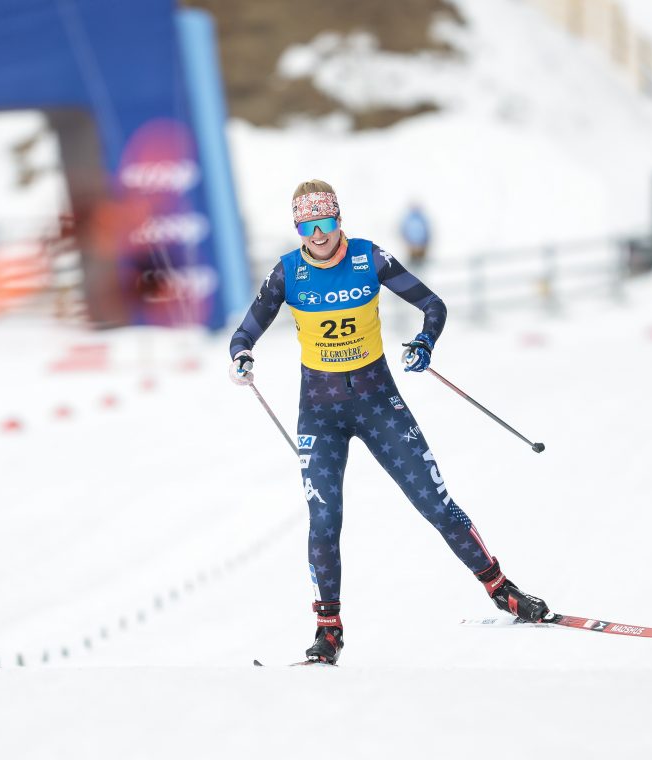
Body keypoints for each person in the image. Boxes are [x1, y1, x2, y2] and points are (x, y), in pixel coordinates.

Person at [229, 180, 550, 664]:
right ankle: (327, 631)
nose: (319, 234)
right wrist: (241, 357)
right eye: (307, 225)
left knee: (436, 504)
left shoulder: (368, 257)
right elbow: (245, 332)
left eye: (327, 222)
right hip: (320, 411)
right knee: (324, 518)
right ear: (297, 228)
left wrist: (424, 344)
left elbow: (432, 305)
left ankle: (502, 589)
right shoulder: (287, 272)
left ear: (340, 220)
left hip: (379, 403)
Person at [400, 201, 431, 266]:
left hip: (421, 246)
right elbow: (403, 231)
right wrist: (409, 243)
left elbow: (427, 232)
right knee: (412, 264)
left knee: (422, 265)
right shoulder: (408, 218)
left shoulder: (422, 218)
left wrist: (424, 244)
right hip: (412, 246)